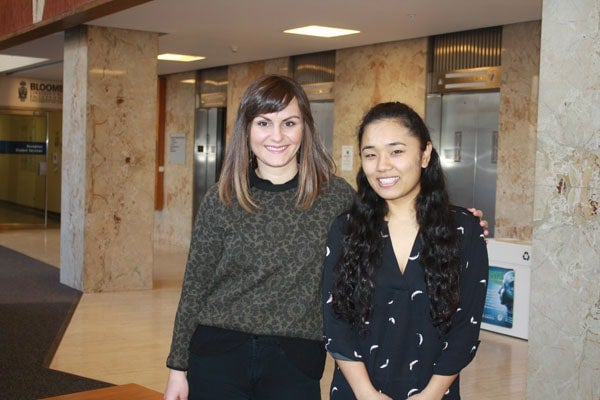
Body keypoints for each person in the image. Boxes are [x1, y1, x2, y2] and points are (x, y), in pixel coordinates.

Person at [164, 75, 487, 400]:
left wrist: (457, 223)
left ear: (305, 128)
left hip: (295, 363)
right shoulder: (222, 198)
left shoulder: (334, 197)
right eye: (263, 123)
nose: (277, 135)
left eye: (289, 123)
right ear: (246, 130)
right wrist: (177, 368)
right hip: (217, 356)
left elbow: (389, 209)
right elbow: (194, 286)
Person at [322, 102, 489, 400]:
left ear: (425, 154)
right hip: (357, 393)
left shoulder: (463, 230)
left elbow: (466, 326)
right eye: (370, 154)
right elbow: (336, 321)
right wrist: (366, 393)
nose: (382, 165)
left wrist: (430, 395)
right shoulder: (345, 229)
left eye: (396, 151)